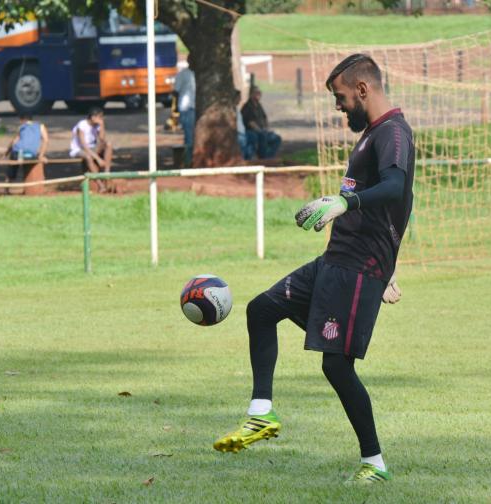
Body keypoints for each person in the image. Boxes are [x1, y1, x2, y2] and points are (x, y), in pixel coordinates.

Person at [213, 54, 415, 485]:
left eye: (341, 98)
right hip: (336, 261)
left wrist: (346, 204)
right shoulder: (372, 135)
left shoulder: (393, 132)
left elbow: (397, 187)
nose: (338, 107)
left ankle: (374, 464)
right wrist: (342, 204)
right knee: (261, 309)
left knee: (336, 366)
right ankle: (261, 413)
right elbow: (380, 201)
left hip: (359, 267)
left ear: (362, 90)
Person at [69, 107, 113, 193]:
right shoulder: (82, 125)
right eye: (100, 117)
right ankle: (100, 185)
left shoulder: (97, 125)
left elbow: (102, 139)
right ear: (93, 117)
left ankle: (107, 174)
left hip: (92, 147)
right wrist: (98, 159)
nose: (101, 119)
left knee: (109, 144)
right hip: (79, 149)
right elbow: (83, 145)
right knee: (88, 157)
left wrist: (102, 125)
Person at [3, 114, 48, 182]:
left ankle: (9, 182)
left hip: (18, 153)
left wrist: (6, 153)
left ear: (22, 120)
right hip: (31, 155)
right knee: (29, 164)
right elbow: (46, 140)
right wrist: (41, 155)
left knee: (13, 164)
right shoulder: (41, 126)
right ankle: (35, 181)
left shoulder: (21, 127)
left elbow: (14, 142)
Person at [241, 86, 282, 159]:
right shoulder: (247, 107)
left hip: (262, 130)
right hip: (251, 131)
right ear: (251, 94)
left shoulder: (259, 105)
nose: (259, 94)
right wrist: (261, 131)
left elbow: (265, 118)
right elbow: (251, 123)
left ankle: (269, 157)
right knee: (262, 136)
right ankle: (263, 157)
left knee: (277, 138)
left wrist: (266, 128)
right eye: (257, 93)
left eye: (260, 93)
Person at [174, 63, 195, 167]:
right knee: (189, 137)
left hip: (194, 107)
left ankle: (189, 160)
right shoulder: (182, 74)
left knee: (192, 136)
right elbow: (175, 91)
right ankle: (187, 161)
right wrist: (175, 109)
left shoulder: (197, 74)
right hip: (186, 108)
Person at [235, 90, 256, 161]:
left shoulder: (237, 109)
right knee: (242, 140)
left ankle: (250, 158)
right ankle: (243, 159)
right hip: (238, 133)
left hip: (244, 132)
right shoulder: (231, 109)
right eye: (238, 97)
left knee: (253, 137)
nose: (240, 99)